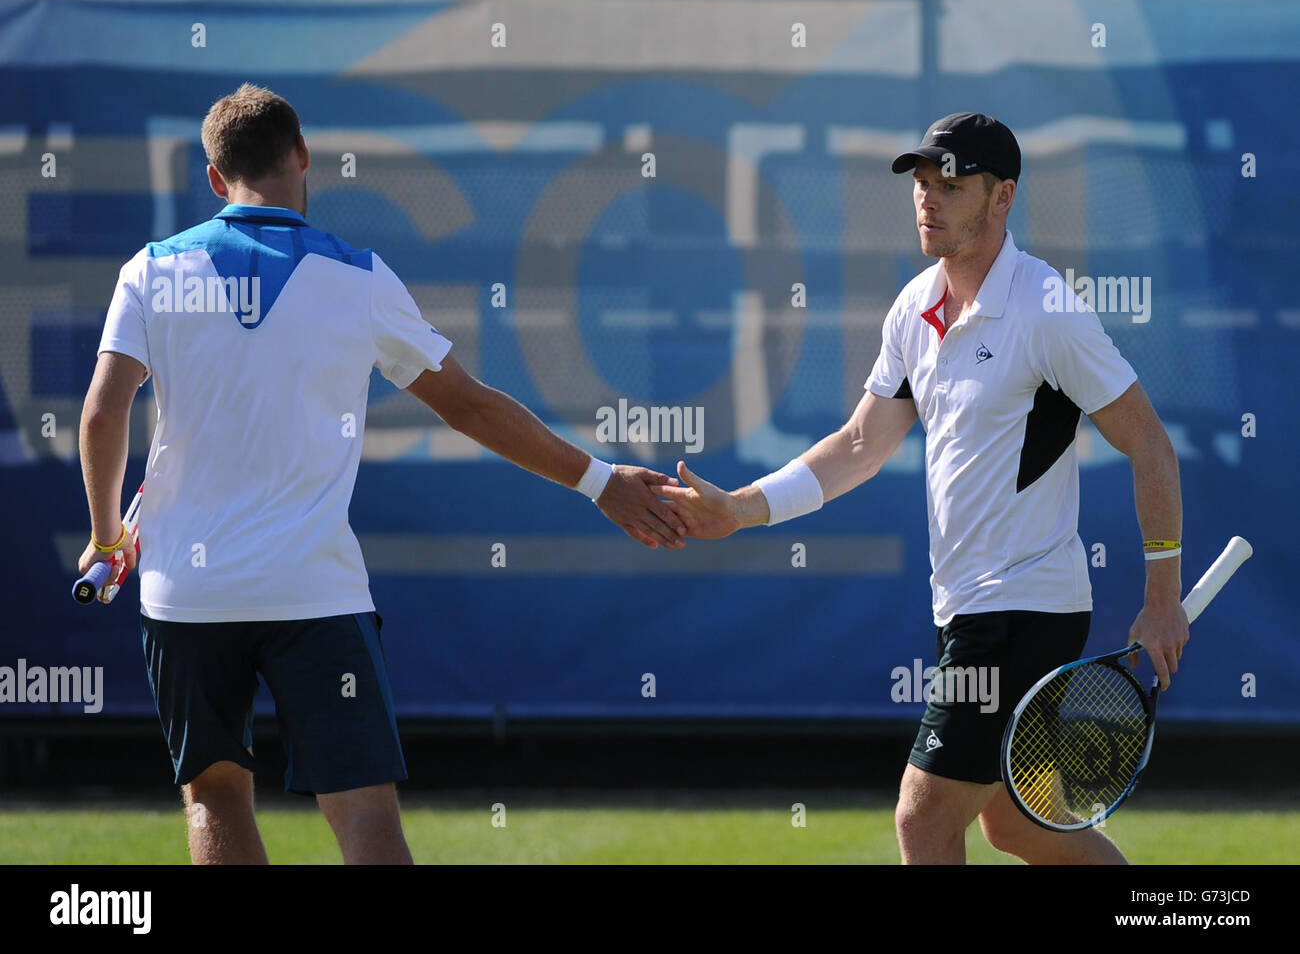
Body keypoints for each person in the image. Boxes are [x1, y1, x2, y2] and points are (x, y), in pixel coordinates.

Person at [76, 83, 685, 865]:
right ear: (301, 156)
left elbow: (101, 415)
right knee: (363, 810)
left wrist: (104, 534)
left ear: (214, 178)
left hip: (185, 594)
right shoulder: (358, 277)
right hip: (315, 594)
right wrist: (602, 480)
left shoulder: (151, 271)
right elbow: (468, 406)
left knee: (215, 796)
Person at [652, 112, 1188, 864]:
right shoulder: (914, 308)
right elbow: (860, 445)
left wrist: (1162, 597)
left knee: (923, 818)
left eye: (953, 185)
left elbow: (1151, 446)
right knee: (1019, 824)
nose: (929, 200)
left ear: (1002, 198)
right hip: (967, 605)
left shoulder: (1048, 309)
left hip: (1020, 610)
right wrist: (742, 511)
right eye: (924, 183)